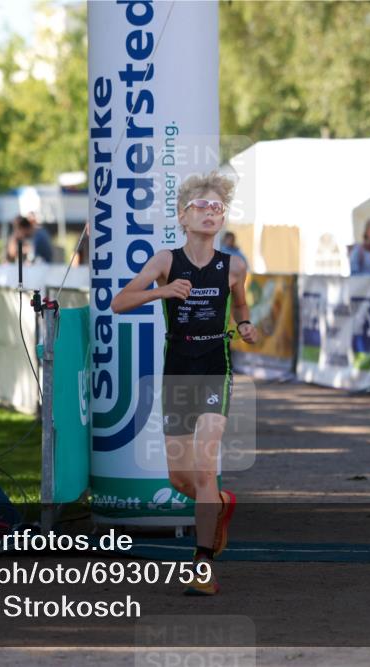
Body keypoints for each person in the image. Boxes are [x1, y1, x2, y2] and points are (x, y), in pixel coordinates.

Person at [111, 171, 257, 596]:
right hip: (177, 365)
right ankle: (220, 506)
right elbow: (120, 302)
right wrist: (163, 292)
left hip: (214, 363)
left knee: (206, 465)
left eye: (218, 208)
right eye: (203, 207)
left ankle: (203, 564)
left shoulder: (234, 266)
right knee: (179, 478)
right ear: (183, 215)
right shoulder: (164, 261)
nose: (211, 213)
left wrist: (244, 324)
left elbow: (242, 303)